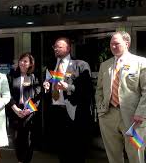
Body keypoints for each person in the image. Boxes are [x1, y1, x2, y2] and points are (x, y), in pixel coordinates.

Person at [95, 31, 146, 163]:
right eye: (111, 43)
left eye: (116, 43)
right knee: (113, 156)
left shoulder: (141, 62)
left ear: (127, 44)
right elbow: (99, 89)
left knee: (136, 153)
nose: (113, 46)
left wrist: (141, 113)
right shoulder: (105, 65)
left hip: (134, 119)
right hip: (108, 116)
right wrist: (100, 109)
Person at [43, 37, 93, 163]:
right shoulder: (50, 63)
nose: (56, 49)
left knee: (76, 150)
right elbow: (49, 80)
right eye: (55, 46)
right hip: (56, 112)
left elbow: (87, 90)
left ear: (69, 48)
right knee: (61, 149)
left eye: (59, 46)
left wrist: (69, 87)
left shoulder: (80, 65)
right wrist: (46, 84)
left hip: (73, 113)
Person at [7, 52, 41, 163]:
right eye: (21, 60)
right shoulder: (12, 76)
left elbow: (38, 96)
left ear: (30, 64)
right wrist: (15, 109)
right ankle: (20, 160)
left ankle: (26, 161)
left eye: (25, 61)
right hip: (15, 111)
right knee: (17, 139)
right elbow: (8, 94)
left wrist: (29, 109)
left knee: (29, 140)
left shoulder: (34, 77)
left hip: (29, 112)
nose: (22, 63)